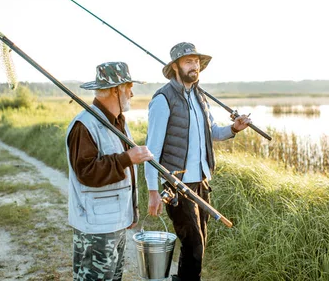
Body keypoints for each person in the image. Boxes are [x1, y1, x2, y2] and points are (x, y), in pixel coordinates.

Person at [144, 42, 251, 281]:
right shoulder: (163, 99)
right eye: (188, 61)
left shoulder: (200, 97)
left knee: (198, 244)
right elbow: (151, 151)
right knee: (194, 246)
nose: (195, 66)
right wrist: (153, 191)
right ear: (175, 66)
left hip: (202, 182)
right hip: (177, 184)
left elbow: (213, 132)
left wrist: (234, 128)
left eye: (196, 62)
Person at [66, 61, 154, 281]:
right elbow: (86, 172)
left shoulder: (118, 122)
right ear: (116, 90)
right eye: (129, 87)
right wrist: (127, 158)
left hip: (115, 221)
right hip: (96, 227)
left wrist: (130, 212)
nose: (132, 93)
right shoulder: (85, 124)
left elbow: (124, 176)